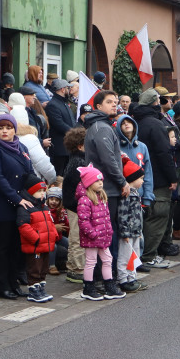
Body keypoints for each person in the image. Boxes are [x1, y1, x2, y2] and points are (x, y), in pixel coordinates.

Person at [0, 113, 35, 300]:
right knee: (3, 247)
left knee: (16, 246)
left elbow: (29, 172)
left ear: (15, 129)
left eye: (8, 127)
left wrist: (38, 190)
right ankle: (2, 286)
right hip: (3, 204)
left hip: (21, 204)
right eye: (0, 128)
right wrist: (16, 198)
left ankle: (14, 283)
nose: (4, 131)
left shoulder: (21, 147)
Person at [132, 89, 180, 266]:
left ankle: (140, 255)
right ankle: (148, 256)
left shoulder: (134, 121)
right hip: (158, 179)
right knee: (157, 216)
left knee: (144, 217)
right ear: (155, 103)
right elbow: (164, 153)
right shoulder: (156, 124)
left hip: (137, 177)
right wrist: (172, 178)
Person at [83, 91, 127, 273]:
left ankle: (107, 275)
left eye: (116, 102)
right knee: (108, 234)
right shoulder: (102, 128)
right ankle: (109, 277)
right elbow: (108, 159)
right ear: (98, 106)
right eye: (109, 102)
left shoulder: (102, 126)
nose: (114, 105)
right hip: (106, 189)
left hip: (106, 188)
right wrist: (122, 181)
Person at [76, 164, 122, 300]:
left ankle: (109, 285)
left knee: (108, 259)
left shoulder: (101, 197)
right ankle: (88, 288)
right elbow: (83, 221)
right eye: (97, 180)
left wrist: (108, 231)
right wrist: (93, 234)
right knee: (91, 261)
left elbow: (106, 218)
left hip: (102, 237)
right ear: (89, 183)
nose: (101, 183)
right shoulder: (84, 200)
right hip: (93, 238)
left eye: (101, 180)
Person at [16, 176, 59, 303]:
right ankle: (33, 291)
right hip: (35, 245)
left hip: (45, 244)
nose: (42, 194)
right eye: (39, 191)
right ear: (30, 192)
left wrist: (54, 235)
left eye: (43, 191)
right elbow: (23, 226)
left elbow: (50, 223)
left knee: (43, 268)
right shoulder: (25, 208)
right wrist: (36, 238)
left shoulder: (44, 207)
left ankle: (41, 288)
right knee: (34, 268)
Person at [115, 158, 146, 292]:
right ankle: (123, 279)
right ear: (133, 179)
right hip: (128, 233)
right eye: (141, 178)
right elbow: (123, 215)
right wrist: (125, 232)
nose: (143, 181)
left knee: (134, 255)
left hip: (136, 231)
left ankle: (132, 277)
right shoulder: (127, 195)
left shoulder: (135, 195)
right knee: (124, 256)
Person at [61, 127, 87, 283]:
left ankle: (72, 265)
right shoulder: (79, 161)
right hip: (75, 205)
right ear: (79, 145)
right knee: (77, 238)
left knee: (75, 236)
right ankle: (76, 269)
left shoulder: (76, 159)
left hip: (74, 204)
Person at [45, 79, 76, 172]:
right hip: (59, 149)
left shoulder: (64, 103)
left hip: (67, 148)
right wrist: (75, 133)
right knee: (59, 176)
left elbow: (71, 121)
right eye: (67, 88)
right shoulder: (53, 105)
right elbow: (59, 124)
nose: (69, 90)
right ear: (62, 89)